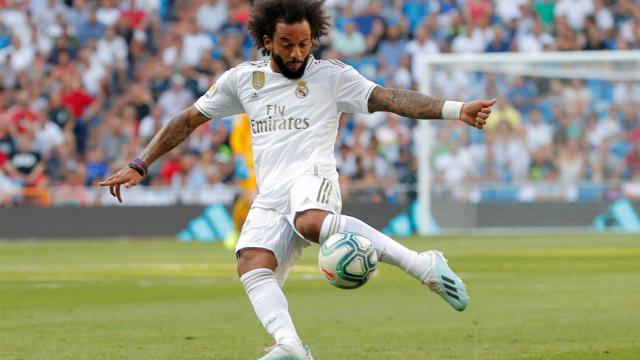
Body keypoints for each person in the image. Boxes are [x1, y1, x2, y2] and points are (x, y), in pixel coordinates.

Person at [99, 1, 495, 358]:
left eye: (305, 43)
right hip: (271, 195)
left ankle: (423, 264)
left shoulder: (332, 76)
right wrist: (140, 163)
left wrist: (455, 109)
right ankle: (290, 346)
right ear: (268, 41)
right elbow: (187, 119)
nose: (298, 53)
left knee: (310, 222)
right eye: (288, 44)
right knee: (251, 263)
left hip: (312, 177)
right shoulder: (243, 80)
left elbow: (391, 98)